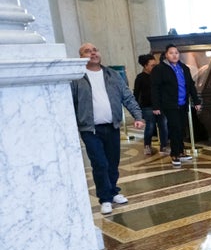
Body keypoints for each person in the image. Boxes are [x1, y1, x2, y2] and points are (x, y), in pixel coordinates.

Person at [70, 43, 145, 215]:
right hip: (90, 129)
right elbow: (71, 104)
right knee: (100, 164)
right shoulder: (76, 78)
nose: (93, 53)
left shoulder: (113, 74)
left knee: (113, 163)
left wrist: (138, 116)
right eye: (87, 51)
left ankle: (113, 192)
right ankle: (104, 198)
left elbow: (127, 96)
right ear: (80, 56)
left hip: (112, 126)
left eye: (95, 50)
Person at [151, 44, 201, 167]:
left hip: (183, 103)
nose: (174, 55)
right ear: (166, 55)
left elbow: (190, 86)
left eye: (176, 53)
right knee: (175, 128)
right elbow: (155, 88)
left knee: (181, 128)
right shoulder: (160, 69)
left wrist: (196, 101)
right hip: (169, 104)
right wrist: (156, 106)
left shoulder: (184, 68)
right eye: (171, 53)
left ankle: (181, 151)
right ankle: (175, 154)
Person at [133, 53, 169, 156]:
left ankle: (164, 146)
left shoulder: (157, 76)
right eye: (152, 65)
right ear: (145, 66)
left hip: (160, 105)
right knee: (150, 126)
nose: (155, 67)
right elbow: (136, 94)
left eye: (155, 65)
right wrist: (137, 112)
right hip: (147, 106)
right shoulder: (140, 78)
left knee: (164, 125)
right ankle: (147, 146)